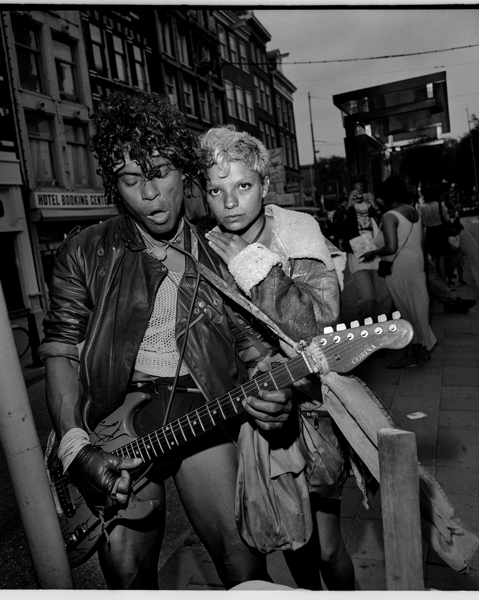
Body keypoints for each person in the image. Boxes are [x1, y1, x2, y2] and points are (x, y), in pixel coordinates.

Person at [38, 91, 294, 590]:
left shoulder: (220, 254)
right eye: (131, 179)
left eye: (161, 172)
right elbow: (61, 350)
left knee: (244, 565)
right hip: (116, 429)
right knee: (128, 576)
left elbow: (251, 345)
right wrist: (74, 445)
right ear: (115, 185)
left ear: (185, 172)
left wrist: (272, 390)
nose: (151, 193)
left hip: (200, 415)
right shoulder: (85, 251)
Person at [199, 125, 355, 590]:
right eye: (216, 190)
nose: (230, 202)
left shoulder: (296, 230)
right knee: (296, 546)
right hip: (260, 412)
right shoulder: (205, 249)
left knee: (328, 548)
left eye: (243, 186)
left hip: (315, 409)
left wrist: (251, 263)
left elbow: (320, 324)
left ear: (264, 186)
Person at [362, 176, 437, 368]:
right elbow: (422, 242)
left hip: (399, 268)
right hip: (416, 264)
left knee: (404, 309)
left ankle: (410, 353)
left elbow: (391, 247)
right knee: (417, 305)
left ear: (387, 195)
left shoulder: (389, 216)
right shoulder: (413, 211)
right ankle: (421, 348)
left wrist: (373, 252)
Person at [337, 175, 392, 321]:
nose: (359, 194)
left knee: (383, 297)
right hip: (358, 257)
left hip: (378, 255)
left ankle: (380, 326)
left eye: (362, 190)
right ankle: (366, 326)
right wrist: (348, 206)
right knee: (367, 298)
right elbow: (337, 227)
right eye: (355, 191)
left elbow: (388, 223)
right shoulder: (345, 208)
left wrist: (374, 204)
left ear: (367, 189)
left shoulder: (376, 205)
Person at [419, 185, 451, 280]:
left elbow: (422, 222)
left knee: (434, 257)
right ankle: (443, 280)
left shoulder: (422, 207)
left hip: (430, 232)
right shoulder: (440, 204)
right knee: (442, 258)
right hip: (440, 231)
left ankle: (434, 280)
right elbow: (446, 218)